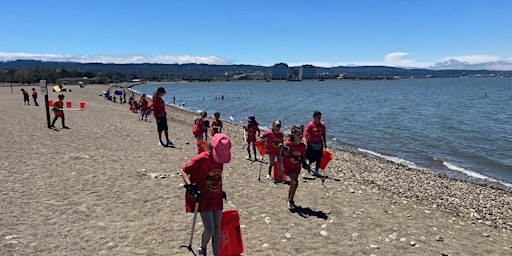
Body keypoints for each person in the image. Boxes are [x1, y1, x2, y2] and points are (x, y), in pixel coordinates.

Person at [180, 133, 231, 256]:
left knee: (217, 230)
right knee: (210, 230)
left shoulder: (220, 160)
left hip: (216, 196)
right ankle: (202, 247)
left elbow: (217, 176)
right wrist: (190, 186)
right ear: (212, 148)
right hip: (203, 198)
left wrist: (220, 190)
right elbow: (184, 170)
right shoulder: (201, 159)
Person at [281, 125, 308, 211]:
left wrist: (305, 164)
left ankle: (290, 198)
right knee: (294, 182)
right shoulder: (289, 144)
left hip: (296, 167)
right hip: (288, 166)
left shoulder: (303, 146)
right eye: (298, 134)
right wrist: (285, 152)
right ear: (293, 134)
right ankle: (290, 200)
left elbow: (302, 157)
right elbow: (282, 153)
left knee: (295, 184)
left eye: (302, 134)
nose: (301, 136)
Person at [304, 111, 327, 176]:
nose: (318, 119)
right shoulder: (311, 125)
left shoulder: (322, 125)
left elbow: (324, 134)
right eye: (317, 117)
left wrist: (325, 142)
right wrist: (305, 142)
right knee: (310, 157)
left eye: (320, 117)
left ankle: (316, 170)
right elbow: (306, 133)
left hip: (319, 143)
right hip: (311, 143)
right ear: (314, 117)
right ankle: (308, 168)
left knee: (319, 158)